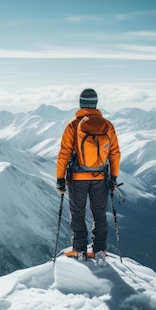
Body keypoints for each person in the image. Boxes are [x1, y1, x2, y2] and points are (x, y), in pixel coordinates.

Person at [55, 88, 121, 260]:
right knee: (99, 213)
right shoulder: (107, 125)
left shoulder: (73, 125)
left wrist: (60, 179)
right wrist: (113, 177)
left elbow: (64, 153)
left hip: (78, 178)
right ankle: (100, 250)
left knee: (78, 214)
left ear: (81, 104)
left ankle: (79, 250)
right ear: (96, 104)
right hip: (100, 177)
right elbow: (114, 153)